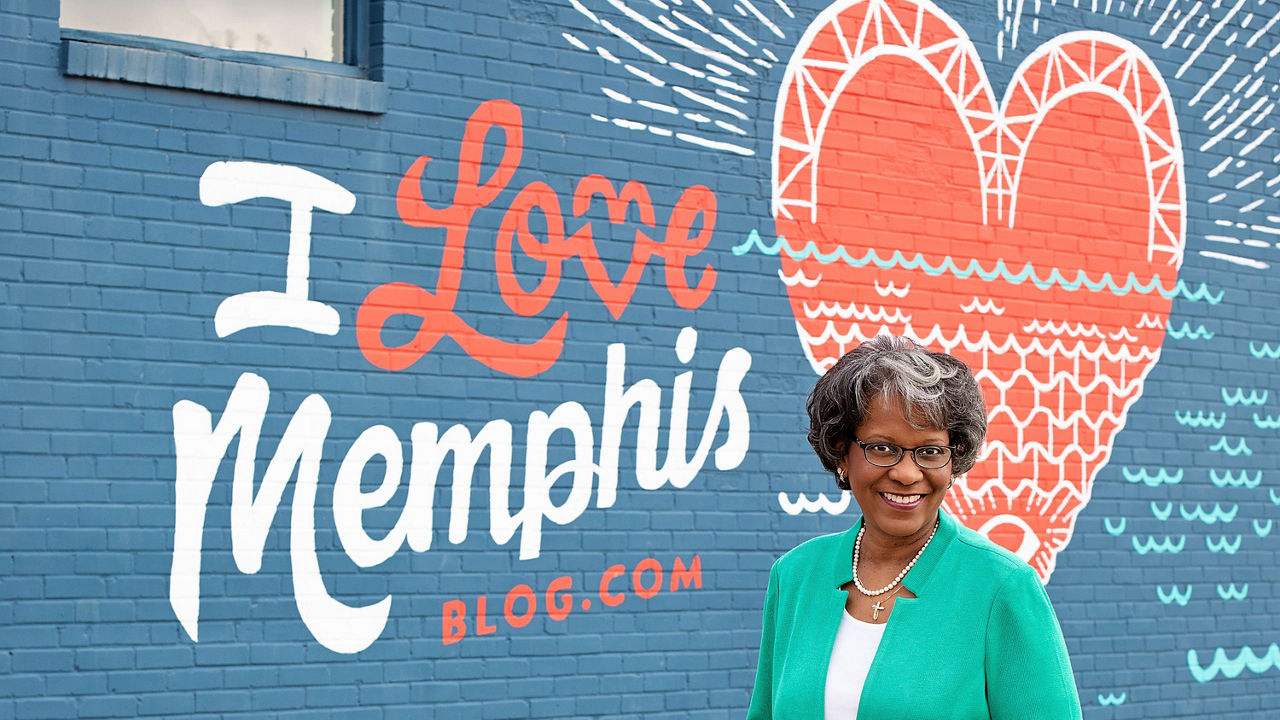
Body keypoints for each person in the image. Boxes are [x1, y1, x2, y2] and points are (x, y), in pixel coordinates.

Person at [747, 335, 1082, 719]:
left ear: (954, 460)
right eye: (883, 448)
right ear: (841, 450)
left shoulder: (1001, 587)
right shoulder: (795, 576)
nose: (907, 474)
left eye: (930, 451)